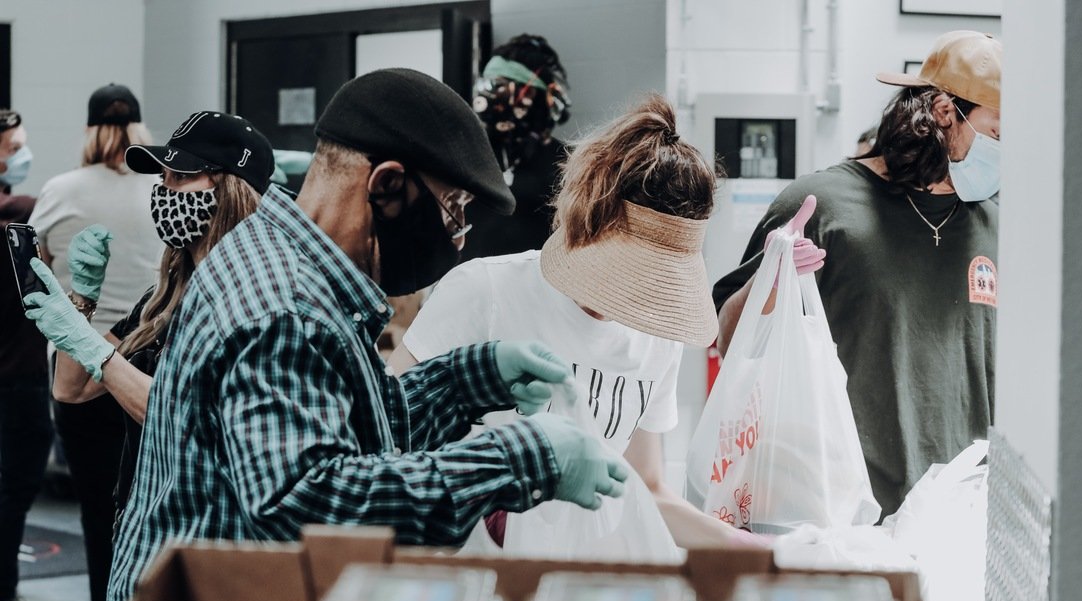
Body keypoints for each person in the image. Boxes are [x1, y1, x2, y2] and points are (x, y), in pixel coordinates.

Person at [104, 69, 626, 601]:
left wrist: (471, 378)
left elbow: (353, 430)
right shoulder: (285, 308)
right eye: (453, 208)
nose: (459, 236)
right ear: (387, 186)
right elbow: (315, 506)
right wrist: (520, 459)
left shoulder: (290, 262)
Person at [390, 94, 762, 549]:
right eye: (629, 269)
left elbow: (646, 489)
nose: (631, 296)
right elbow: (388, 434)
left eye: (654, 279)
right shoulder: (484, 293)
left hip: (578, 581)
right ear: (588, 226)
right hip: (468, 575)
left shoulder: (655, 340)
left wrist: (754, 549)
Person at [714, 30, 1001, 517]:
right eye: (999, 131)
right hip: (836, 512)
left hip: (960, 515)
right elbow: (729, 340)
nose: (1006, 150)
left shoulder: (995, 224)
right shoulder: (821, 206)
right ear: (945, 112)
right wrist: (773, 282)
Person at [22, 110, 267, 601]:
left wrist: (95, 348)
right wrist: (82, 299)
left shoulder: (250, 298)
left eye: (180, 176)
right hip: (146, 523)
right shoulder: (165, 295)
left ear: (228, 189)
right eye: (163, 177)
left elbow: (183, 415)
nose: (164, 190)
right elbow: (71, 388)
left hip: (205, 539)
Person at [26, 83, 163, 601]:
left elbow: (32, 269)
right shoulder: (161, 187)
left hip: (78, 361)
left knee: (96, 516)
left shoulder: (60, 191)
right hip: (148, 365)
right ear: (139, 130)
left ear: (88, 130)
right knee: (148, 506)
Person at [0, 109, 57, 601]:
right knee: (13, 489)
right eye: (14, 144)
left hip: (19, 371)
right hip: (17, 377)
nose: (21, 153)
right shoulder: (20, 211)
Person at [464, 34, 572, 262]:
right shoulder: (465, 155)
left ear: (533, 94)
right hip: (469, 285)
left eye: (500, 86)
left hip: (534, 289)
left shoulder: (566, 164)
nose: (490, 96)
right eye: (488, 85)